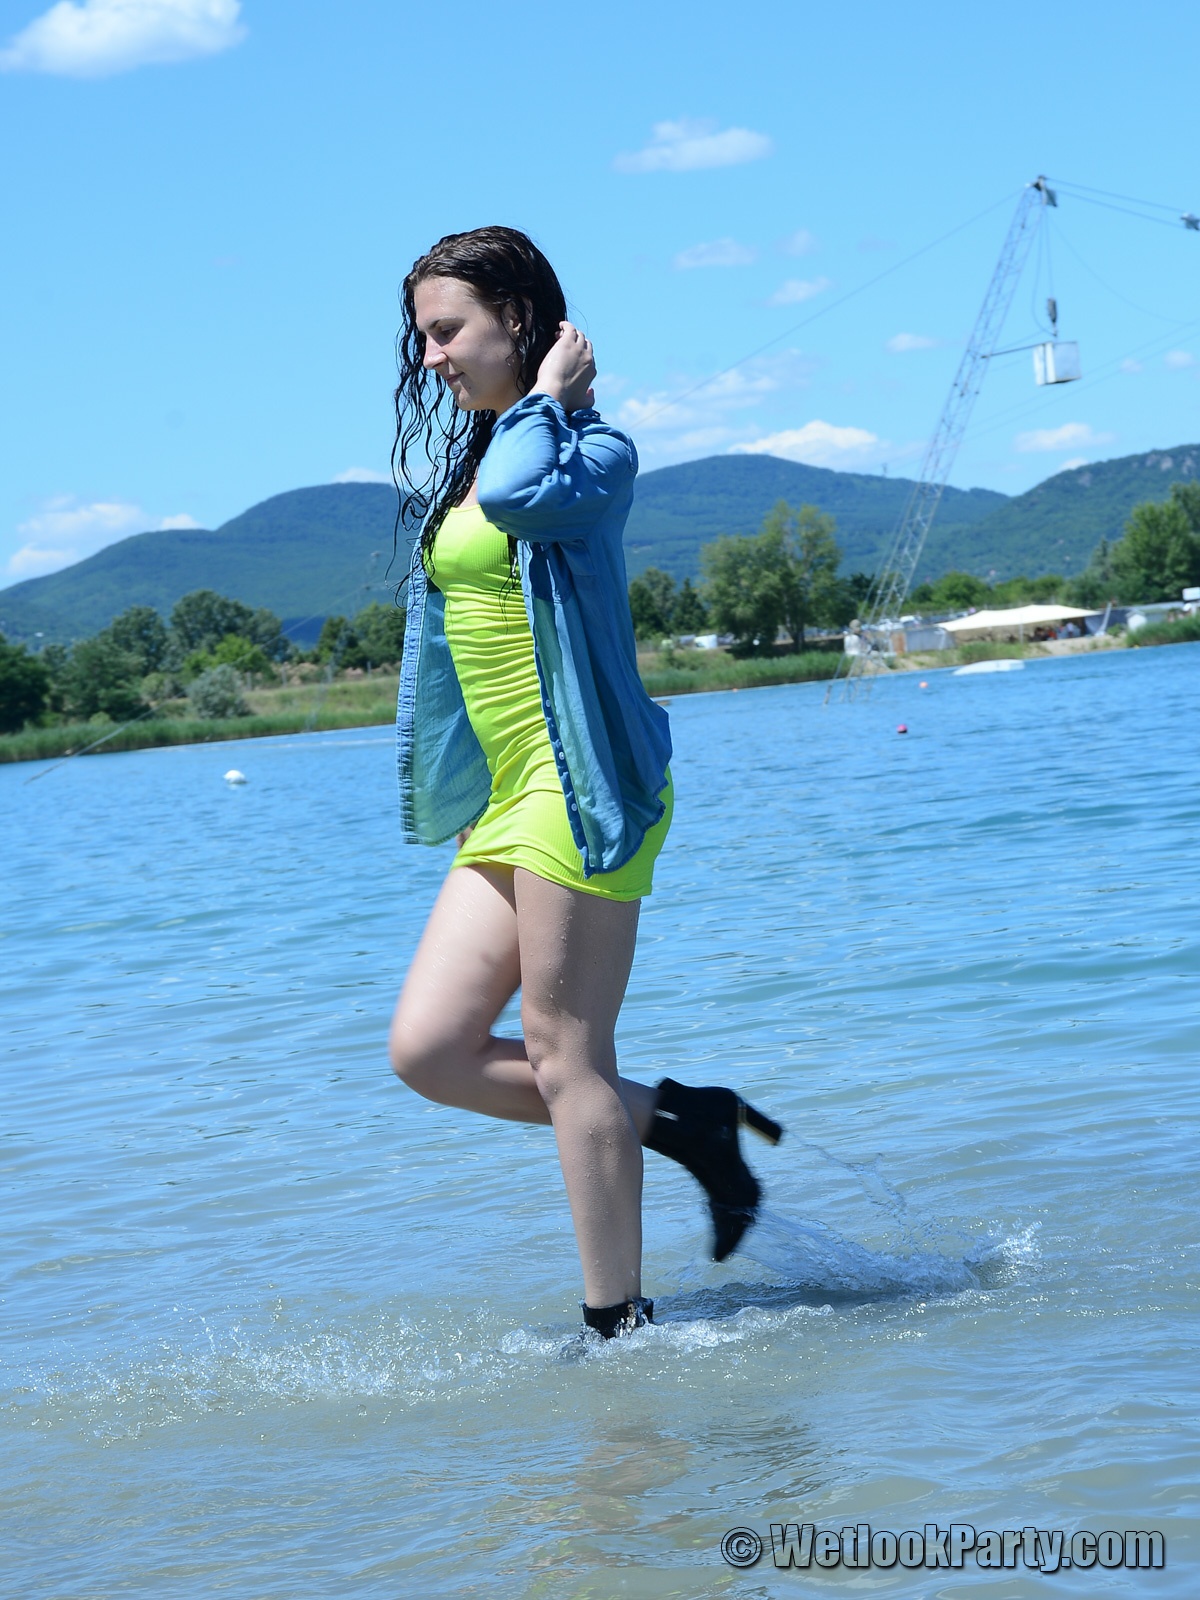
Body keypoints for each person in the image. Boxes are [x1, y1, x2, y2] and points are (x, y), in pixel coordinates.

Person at [387, 226, 782, 1340]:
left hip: (583, 781)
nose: (432, 358)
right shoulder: (487, 457)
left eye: (448, 331)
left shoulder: (588, 456)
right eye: (424, 339)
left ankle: (617, 1327)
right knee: (430, 1050)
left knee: (569, 1056)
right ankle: (687, 1124)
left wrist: (547, 400)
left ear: (518, 319)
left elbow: (522, 496)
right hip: (506, 794)